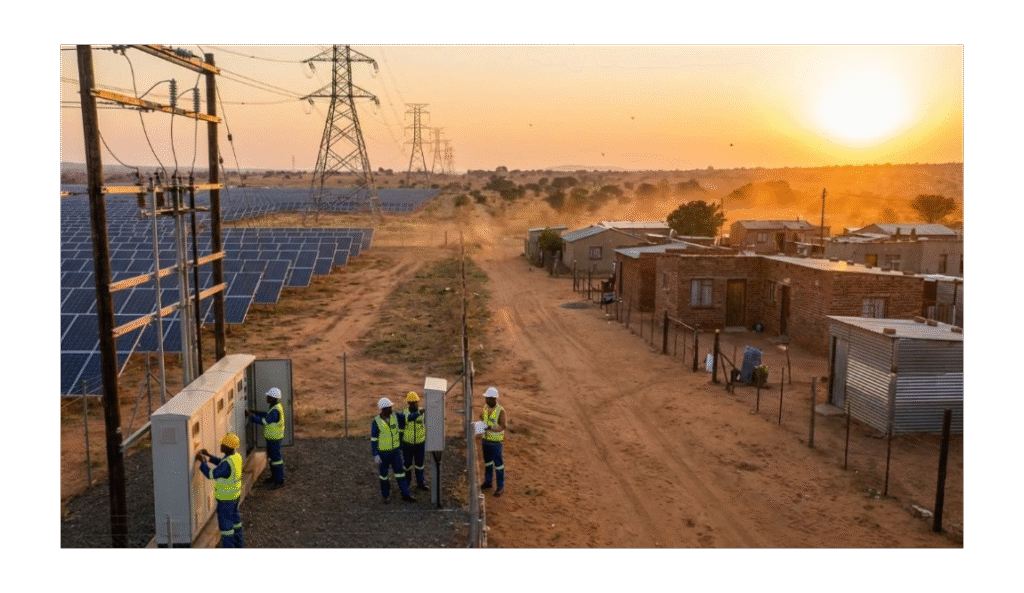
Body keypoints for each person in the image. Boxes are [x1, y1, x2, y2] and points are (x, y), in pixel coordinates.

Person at [195, 433, 245, 548]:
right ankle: (239, 545)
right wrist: (209, 456)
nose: (221, 445)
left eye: (223, 444)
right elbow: (222, 463)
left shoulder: (227, 463)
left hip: (226, 501)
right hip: (235, 496)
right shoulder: (235, 457)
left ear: (228, 447)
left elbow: (211, 474)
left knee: (226, 528)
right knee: (235, 522)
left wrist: (203, 462)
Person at [371, 397, 416, 503]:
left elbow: (408, 417)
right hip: (383, 454)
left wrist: (419, 414)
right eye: (390, 407)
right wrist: (375, 454)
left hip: (395, 452)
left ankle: (406, 494)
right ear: (384, 409)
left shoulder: (395, 416)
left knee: (400, 473)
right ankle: (385, 496)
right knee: (384, 476)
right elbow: (374, 439)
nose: (392, 409)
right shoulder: (376, 422)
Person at [248, 387, 285, 487]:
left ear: (273, 398)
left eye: (268, 396)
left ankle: (279, 481)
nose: (267, 398)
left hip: (274, 439)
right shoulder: (275, 407)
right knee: (273, 459)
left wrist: (251, 416)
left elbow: (265, 421)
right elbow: (267, 415)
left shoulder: (275, 410)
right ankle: (275, 477)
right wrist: (256, 412)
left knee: (276, 460)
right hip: (272, 439)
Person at [397, 391, 429, 491]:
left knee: (420, 465)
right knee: (407, 465)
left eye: (415, 402)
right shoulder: (404, 414)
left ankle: (421, 483)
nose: (414, 404)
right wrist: (401, 444)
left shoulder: (422, 413)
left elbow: (427, 425)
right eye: (412, 403)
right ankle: (407, 484)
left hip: (420, 444)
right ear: (408, 403)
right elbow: (401, 430)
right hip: (408, 444)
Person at [480, 386, 507, 497]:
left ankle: (500, 487)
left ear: (493, 399)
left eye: (488, 398)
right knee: (488, 463)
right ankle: (488, 482)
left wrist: (489, 428)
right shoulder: (485, 408)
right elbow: (481, 417)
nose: (486, 400)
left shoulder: (501, 411)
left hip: (496, 443)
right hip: (485, 441)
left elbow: (503, 426)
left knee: (498, 465)